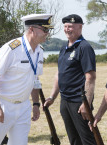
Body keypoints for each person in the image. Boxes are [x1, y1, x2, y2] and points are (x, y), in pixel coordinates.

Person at [0, 13, 54, 145]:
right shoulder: (12, 48)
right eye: (45, 29)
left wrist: (35, 104)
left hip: (23, 106)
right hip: (2, 103)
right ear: (32, 29)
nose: (47, 33)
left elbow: (34, 79)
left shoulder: (40, 51)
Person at [44, 14, 97, 145]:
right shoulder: (64, 48)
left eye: (71, 26)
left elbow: (90, 77)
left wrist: (86, 103)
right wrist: (52, 97)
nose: (67, 29)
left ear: (80, 27)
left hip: (79, 101)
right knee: (73, 139)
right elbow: (59, 74)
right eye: (66, 26)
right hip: (65, 100)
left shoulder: (84, 47)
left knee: (87, 139)